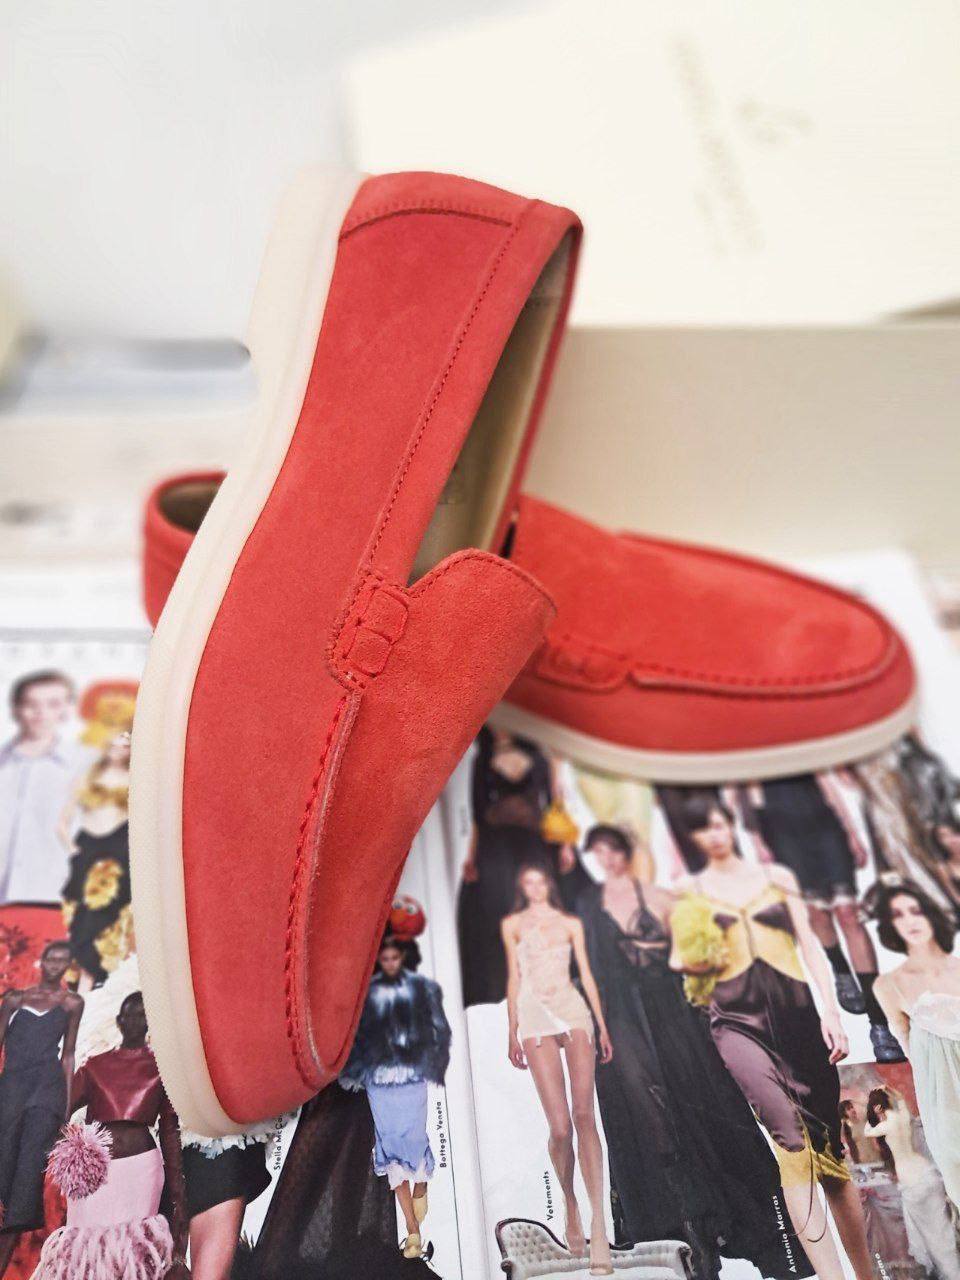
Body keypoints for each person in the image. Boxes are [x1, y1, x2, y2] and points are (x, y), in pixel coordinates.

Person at [578, 824, 812, 1280]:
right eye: (598, 851)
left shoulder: (664, 898)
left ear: (628, 852)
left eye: (613, 849)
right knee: (647, 1124)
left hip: (674, 1013)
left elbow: (701, 958)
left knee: (709, 1111)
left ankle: (761, 1242)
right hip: (620, 1021)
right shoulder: (585, 907)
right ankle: (687, 1245)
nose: (607, 859)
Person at [670, 796, 873, 1280]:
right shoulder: (687, 890)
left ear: (731, 824)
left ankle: (866, 1273)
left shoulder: (777, 878)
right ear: (693, 838)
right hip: (735, 1020)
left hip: (798, 1014)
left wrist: (832, 1013)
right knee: (791, 1143)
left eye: (719, 823)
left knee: (829, 1155)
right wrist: (700, 955)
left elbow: (810, 947)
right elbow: (681, 961)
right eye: (703, 828)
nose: (715, 834)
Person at [735, 774, 902, 1062]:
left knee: (849, 914)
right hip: (781, 833)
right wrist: (759, 843)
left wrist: (851, 832)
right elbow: (744, 797)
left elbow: (825, 782)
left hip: (824, 826)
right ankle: (839, 967)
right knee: (817, 914)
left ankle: (879, 1024)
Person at [502, 864, 614, 1276]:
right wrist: (511, 1031)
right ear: (523, 887)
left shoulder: (570, 924)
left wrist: (601, 1024)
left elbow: (587, 974)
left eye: (540, 881)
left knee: (585, 1114)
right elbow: (514, 978)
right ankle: (570, 1202)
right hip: (534, 1014)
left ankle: (598, 1223)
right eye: (528, 882)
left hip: (571, 1009)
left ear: (548, 884)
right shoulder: (513, 925)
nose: (535, 887)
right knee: (561, 1128)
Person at [34, 990, 187, 1279]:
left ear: (151, 1022)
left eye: (142, 1015)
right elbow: (58, 1113)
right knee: (85, 1250)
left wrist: (177, 1181)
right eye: (130, 1015)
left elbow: (169, 1129)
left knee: (133, 1251)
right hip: (95, 1172)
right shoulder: (95, 1065)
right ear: (119, 1020)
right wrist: (74, 1151)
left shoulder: (162, 1068)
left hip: (140, 1171)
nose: (135, 1021)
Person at [340, 937, 451, 1262]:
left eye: (393, 957)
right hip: (379, 1080)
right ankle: (412, 1229)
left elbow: (436, 1029)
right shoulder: (368, 994)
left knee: (414, 1139)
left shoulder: (419, 990)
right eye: (384, 958)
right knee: (388, 1147)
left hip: (410, 1077)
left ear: (402, 959)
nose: (389, 963)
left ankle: (422, 1185)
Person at [458, 728, 586, 1007]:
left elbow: (555, 800)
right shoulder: (482, 759)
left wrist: (566, 844)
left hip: (534, 840)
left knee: (543, 901)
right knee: (504, 906)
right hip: (496, 845)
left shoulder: (539, 756)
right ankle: (516, 981)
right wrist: (472, 856)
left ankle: (554, 976)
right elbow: (478, 813)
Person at [872, 883, 960, 1207]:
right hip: (946, 1103)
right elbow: (908, 1045)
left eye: (916, 910)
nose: (909, 920)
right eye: (898, 914)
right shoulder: (888, 985)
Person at [0, 939, 83, 1278]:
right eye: (51, 958)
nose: (55, 965)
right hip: (11, 1090)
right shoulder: (14, 999)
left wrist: (65, 1110)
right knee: (3, 1167)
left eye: (62, 960)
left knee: (25, 1182)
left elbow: (68, 1055)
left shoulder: (71, 1003)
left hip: (45, 1094)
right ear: (42, 960)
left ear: (67, 966)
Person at [0, 672, 94, 904]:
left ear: (67, 709)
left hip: (54, 895)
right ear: (15, 708)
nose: (40, 713)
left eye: (53, 704)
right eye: (30, 704)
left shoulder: (86, 763)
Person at [58, 730, 133, 985]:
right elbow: (63, 822)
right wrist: (72, 850)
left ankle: (93, 985)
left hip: (117, 853)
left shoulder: (136, 778)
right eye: (115, 743)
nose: (118, 748)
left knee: (103, 916)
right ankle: (86, 987)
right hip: (87, 850)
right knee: (81, 917)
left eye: (125, 744)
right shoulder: (88, 778)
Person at [864, 1087, 960, 1280]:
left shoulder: (886, 1125)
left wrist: (873, 1115)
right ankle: (951, 1269)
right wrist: (889, 1091)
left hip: (912, 1182)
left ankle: (952, 1273)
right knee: (941, 1226)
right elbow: (900, 1099)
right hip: (928, 1174)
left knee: (931, 1233)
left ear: (877, 1108)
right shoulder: (902, 1115)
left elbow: (867, 1131)